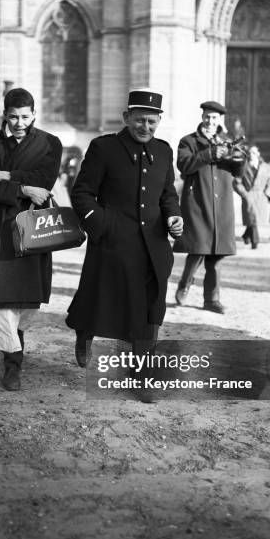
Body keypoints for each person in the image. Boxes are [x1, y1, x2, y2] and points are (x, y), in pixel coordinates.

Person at [65, 88, 183, 403]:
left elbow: (167, 193)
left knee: (150, 309)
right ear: (126, 117)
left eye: (152, 122)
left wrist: (174, 216)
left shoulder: (164, 151)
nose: (146, 127)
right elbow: (82, 193)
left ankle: (141, 377)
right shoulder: (104, 148)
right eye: (140, 120)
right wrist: (104, 225)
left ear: (159, 121)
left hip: (153, 247)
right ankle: (84, 331)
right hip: (112, 243)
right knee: (97, 298)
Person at [0, 88, 62, 391]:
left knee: (29, 301)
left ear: (34, 114)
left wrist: (4, 175)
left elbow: (45, 180)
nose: (20, 122)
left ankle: (16, 343)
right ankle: (12, 362)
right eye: (14, 117)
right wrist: (23, 188)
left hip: (34, 228)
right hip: (2, 229)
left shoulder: (51, 143)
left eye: (25, 116)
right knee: (3, 299)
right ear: (5, 115)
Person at [173, 101, 246, 314]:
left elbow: (238, 173)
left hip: (221, 204)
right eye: (207, 117)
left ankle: (212, 300)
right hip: (197, 201)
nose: (210, 121)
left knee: (217, 253)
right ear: (202, 117)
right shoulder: (188, 141)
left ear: (219, 120)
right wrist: (210, 154)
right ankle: (184, 285)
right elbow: (184, 166)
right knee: (197, 249)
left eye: (214, 118)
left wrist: (239, 159)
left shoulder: (227, 141)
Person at [233, 144, 270, 249]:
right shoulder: (243, 166)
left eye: (254, 152)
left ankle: (246, 235)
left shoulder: (266, 166)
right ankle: (255, 241)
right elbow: (237, 182)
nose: (252, 155)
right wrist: (244, 193)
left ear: (258, 154)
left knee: (253, 219)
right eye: (250, 152)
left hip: (261, 196)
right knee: (252, 218)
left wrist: (267, 193)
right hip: (248, 195)